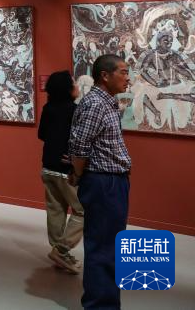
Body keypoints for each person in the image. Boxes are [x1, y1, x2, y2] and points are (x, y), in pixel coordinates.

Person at [69, 54, 131, 309]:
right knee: (103, 249)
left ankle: (106, 302)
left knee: (110, 247)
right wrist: (79, 175)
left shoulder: (106, 102)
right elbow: (79, 145)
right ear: (105, 75)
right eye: (123, 72)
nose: (127, 78)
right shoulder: (96, 104)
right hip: (104, 182)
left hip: (112, 181)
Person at [38, 70, 84, 274]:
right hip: (66, 170)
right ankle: (62, 250)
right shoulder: (75, 110)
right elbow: (80, 139)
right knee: (83, 211)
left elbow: (42, 134)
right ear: (67, 88)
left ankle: (58, 253)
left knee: (55, 209)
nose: (77, 86)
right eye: (74, 82)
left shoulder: (48, 108)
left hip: (48, 166)